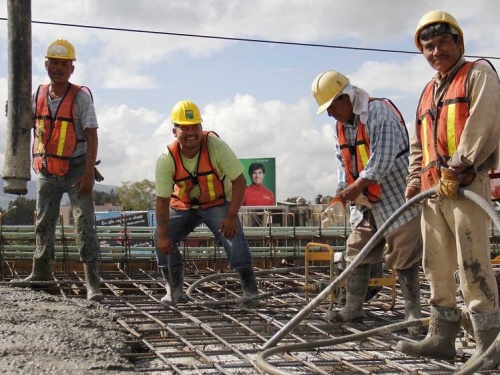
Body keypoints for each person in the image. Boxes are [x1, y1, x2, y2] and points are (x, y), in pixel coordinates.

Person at [396, 11, 500, 370]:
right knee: (435, 267)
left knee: (473, 267)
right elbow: (418, 146)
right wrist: (414, 181)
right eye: (428, 47)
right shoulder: (428, 91)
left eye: (442, 43)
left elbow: (483, 123)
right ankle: (441, 339)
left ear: (458, 43)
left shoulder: (478, 75)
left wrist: (458, 166)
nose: (435, 51)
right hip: (432, 192)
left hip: (466, 186)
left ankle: (489, 347)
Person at [311, 70, 423, 335]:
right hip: (365, 200)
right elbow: (343, 162)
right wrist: (341, 191)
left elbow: (381, 160)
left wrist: (355, 187)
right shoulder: (341, 126)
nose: (329, 114)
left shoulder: (378, 113)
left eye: (331, 106)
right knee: (357, 250)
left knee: (404, 254)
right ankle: (353, 308)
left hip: (395, 195)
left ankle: (413, 315)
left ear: (346, 97)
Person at [11, 39, 102, 301]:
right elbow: (25, 122)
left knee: (84, 225)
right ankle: (41, 273)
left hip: (76, 168)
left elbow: (92, 136)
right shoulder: (38, 94)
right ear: (46, 65)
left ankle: (92, 283)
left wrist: (87, 173)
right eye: (54, 63)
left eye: (64, 64)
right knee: (43, 223)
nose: (59, 69)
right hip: (48, 169)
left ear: (72, 69)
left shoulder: (80, 97)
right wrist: (14, 111)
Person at [154, 100, 259, 306]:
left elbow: (239, 181)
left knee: (233, 236)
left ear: (201, 128)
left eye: (195, 127)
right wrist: (164, 234)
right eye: (184, 127)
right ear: (175, 131)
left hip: (216, 203)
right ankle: (174, 290)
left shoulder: (216, 147)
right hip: (184, 205)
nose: (191, 132)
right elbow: (162, 200)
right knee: (160, 236)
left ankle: (250, 291)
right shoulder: (167, 159)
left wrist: (230, 217)